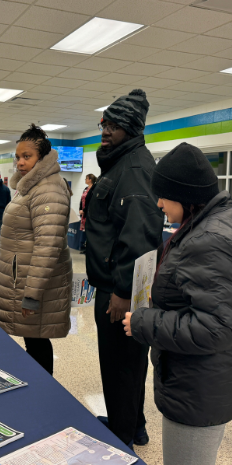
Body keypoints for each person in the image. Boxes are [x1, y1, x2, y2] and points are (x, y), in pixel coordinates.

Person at [123, 143, 232, 465]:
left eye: (163, 196)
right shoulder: (211, 225)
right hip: (204, 380)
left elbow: (216, 328)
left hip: (197, 388)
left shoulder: (207, 240)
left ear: (185, 196)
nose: (158, 204)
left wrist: (144, 322)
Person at [85, 89, 164, 448]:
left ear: (131, 130)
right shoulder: (121, 163)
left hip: (123, 292)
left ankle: (120, 439)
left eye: (115, 126)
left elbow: (139, 239)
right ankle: (132, 424)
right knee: (128, 364)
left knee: (120, 365)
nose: (106, 130)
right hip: (119, 287)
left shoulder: (134, 169)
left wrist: (121, 292)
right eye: (105, 123)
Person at [0, 124, 73, 376]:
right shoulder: (30, 187)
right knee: (34, 339)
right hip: (23, 275)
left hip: (33, 281)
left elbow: (47, 246)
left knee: (37, 341)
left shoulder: (48, 189)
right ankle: (39, 387)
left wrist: (32, 295)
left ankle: (43, 393)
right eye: (18, 157)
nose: (20, 162)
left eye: (27, 156)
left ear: (43, 158)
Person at [79, 173, 97, 254]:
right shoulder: (86, 188)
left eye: (86, 178)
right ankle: (84, 247)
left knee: (89, 231)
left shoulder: (94, 189)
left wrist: (84, 210)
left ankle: (88, 249)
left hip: (89, 213)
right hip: (83, 213)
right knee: (85, 231)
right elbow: (81, 200)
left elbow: (90, 202)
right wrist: (80, 209)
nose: (85, 180)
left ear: (90, 180)